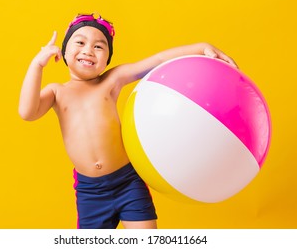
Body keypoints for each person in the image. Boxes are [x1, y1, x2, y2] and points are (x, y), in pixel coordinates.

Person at [18, 13, 237, 229]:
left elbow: (157, 60)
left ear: (107, 58)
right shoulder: (57, 92)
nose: (88, 50)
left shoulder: (111, 80)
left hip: (127, 182)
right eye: (81, 42)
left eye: (99, 46)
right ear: (64, 50)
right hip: (91, 191)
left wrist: (201, 47)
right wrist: (37, 65)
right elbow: (27, 112)